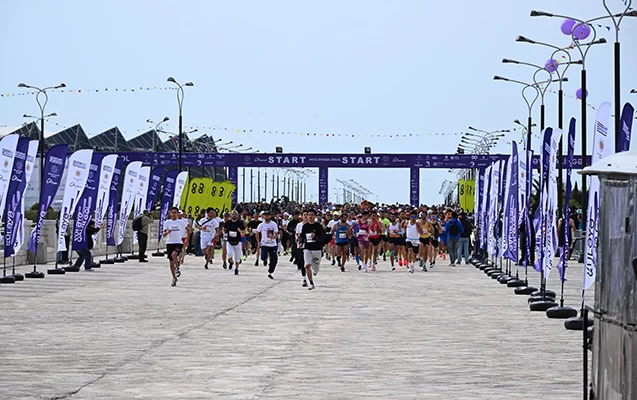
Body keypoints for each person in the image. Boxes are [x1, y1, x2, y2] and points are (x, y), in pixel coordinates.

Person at [163, 207, 192, 286]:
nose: (174, 214)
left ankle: (177, 267)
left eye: (175, 212)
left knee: (174, 254)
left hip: (178, 242)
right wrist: (167, 232)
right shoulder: (167, 222)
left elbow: (189, 230)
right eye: (172, 212)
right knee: (171, 262)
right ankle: (174, 277)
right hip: (169, 243)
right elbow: (164, 234)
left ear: (177, 213)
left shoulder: (181, 222)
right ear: (170, 213)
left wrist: (187, 240)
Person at [301, 208, 326, 290]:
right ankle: (311, 283)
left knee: (316, 267)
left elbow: (323, 238)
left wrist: (315, 237)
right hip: (307, 248)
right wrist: (300, 241)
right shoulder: (305, 226)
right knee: (307, 265)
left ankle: (315, 271)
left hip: (317, 249)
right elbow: (302, 236)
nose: (310, 216)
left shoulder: (319, 226)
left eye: (312, 215)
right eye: (308, 215)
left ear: (315, 216)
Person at [255, 210, 280, 279]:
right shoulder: (261, 225)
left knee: (274, 259)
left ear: (270, 216)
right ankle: (265, 260)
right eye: (265, 215)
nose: (266, 217)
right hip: (264, 244)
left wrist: (273, 237)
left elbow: (276, 233)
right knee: (263, 256)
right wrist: (258, 241)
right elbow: (257, 233)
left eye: (267, 215)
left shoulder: (273, 224)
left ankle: (270, 272)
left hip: (272, 244)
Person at [223, 210, 245, 275]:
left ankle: (236, 269)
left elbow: (244, 231)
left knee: (237, 257)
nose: (234, 216)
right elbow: (223, 229)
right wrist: (224, 234)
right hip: (230, 241)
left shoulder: (240, 223)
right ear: (231, 215)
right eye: (233, 214)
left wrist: (240, 231)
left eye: (235, 214)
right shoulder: (228, 222)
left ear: (237, 215)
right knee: (229, 254)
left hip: (238, 241)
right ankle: (231, 261)